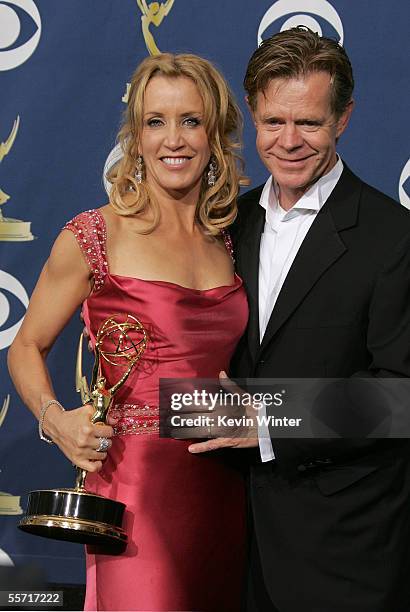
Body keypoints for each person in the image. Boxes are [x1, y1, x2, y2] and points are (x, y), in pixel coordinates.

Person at [8, 53, 249, 611]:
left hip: (226, 485)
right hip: (135, 486)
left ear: (215, 134)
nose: (175, 139)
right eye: (155, 122)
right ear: (135, 137)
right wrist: (54, 420)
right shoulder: (95, 234)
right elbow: (26, 345)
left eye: (191, 120)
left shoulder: (233, 238)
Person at [188, 28, 410, 612]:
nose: (288, 142)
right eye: (272, 122)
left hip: (341, 551)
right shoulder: (225, 224)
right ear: (251, 117)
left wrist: (269, 419)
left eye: (309, 123)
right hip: (227, 537)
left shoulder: (394, 238)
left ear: (344, 118)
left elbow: (401, 395)